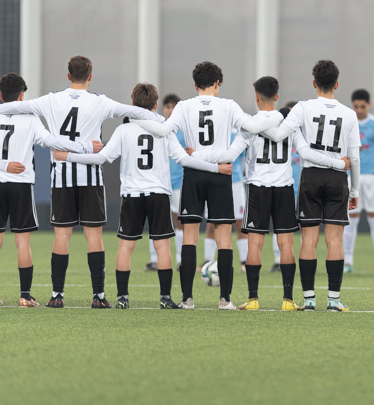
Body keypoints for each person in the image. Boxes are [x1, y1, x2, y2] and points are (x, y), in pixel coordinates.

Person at [0, 56, 158, 309]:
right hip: (91, 176)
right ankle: (99, 296)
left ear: (68, 75)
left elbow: (13, 108)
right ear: (90, 76)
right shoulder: (100, 101)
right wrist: (164, 122)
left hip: (61, 177)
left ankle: (57, 295)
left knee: (62, 235)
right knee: (94, 236)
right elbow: (133, 111)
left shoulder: (51, 100)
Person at [54, 83, 230, 309]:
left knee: (126, 246)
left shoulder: (124, 130)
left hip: (132, 195)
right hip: (159, 194)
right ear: (155, 105)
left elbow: (101, 158)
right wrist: (216, 168)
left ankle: (122, 298)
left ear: (132, 104)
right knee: (162, 246)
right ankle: (165, 298)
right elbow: (184, 159)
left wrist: (68, 156)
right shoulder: (165, 129)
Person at [132, 61, 284, 310]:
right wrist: (279, 114)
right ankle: (225, 300)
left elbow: (163, 129)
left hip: (193, 174)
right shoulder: (228, 105)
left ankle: (187, 299)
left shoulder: (184, 106)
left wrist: (135, 116)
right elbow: (254, 127)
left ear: (195, 85)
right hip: (220, 175)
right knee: (224, 238)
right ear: (217, 83)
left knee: (190, 238)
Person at [191, 76, 349, 311]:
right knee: (286, 244)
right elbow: (305, 151)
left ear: (256, 97)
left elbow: (229, 155)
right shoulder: (289, 124)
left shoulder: (249, 125)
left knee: (255, 244)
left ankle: (253, 299)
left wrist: (197, 155)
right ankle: (288, 300)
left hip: (258, 188)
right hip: (284, 188)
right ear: (277, 97)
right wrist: (338, 164)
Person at [261, 59, 360, 312]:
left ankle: (309, 299)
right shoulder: (349, 114)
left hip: (311, 177)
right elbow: (355, 158)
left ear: (314, 83)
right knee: (334, 240)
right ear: (337, 84)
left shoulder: (303, 108)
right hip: (338, 179)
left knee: (309, 239)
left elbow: (278, 134)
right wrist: (355, 191)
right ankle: (334, 300)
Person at [0, 73, 97, 307]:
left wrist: (3, 166)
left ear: (1, 96)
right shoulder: (30, 119)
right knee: (23, 242)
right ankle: (25, 296)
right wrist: (84, 146)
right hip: (21, 185)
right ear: (22, 97)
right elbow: (52, 141)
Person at [343, 89, 374, 274]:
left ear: (369, 105)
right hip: (352, 178)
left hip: (373, 178)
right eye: (356, 106)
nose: (359, 110)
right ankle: (348, 262)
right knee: (351, 219)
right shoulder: (348, 125)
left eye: (362, 106)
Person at [146, 93, 186, 272]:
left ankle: (180, 259)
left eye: (174, 107)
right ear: (163, 109)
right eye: (168, 107)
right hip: (159, 181)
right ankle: (154, 259)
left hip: (178, 182)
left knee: (179, 220)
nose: (170, 110)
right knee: (156, 220)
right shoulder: (157, 128)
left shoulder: (184, 131)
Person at [203, 131, 248, 272]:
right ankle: (208, 261)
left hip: (235, 182)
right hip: (214, 181)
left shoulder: (236, 135)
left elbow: (243, 161)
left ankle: (244, 261)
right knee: (211, 222)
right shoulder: (211, 133)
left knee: (239, 222)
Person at [269, 99, 301, 273]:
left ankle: (303, 259)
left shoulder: (305, 134)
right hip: (283, 186)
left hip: (303, 188)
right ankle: (278, 261)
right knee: (280, 225)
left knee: (305, 226)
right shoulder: (278, 133)